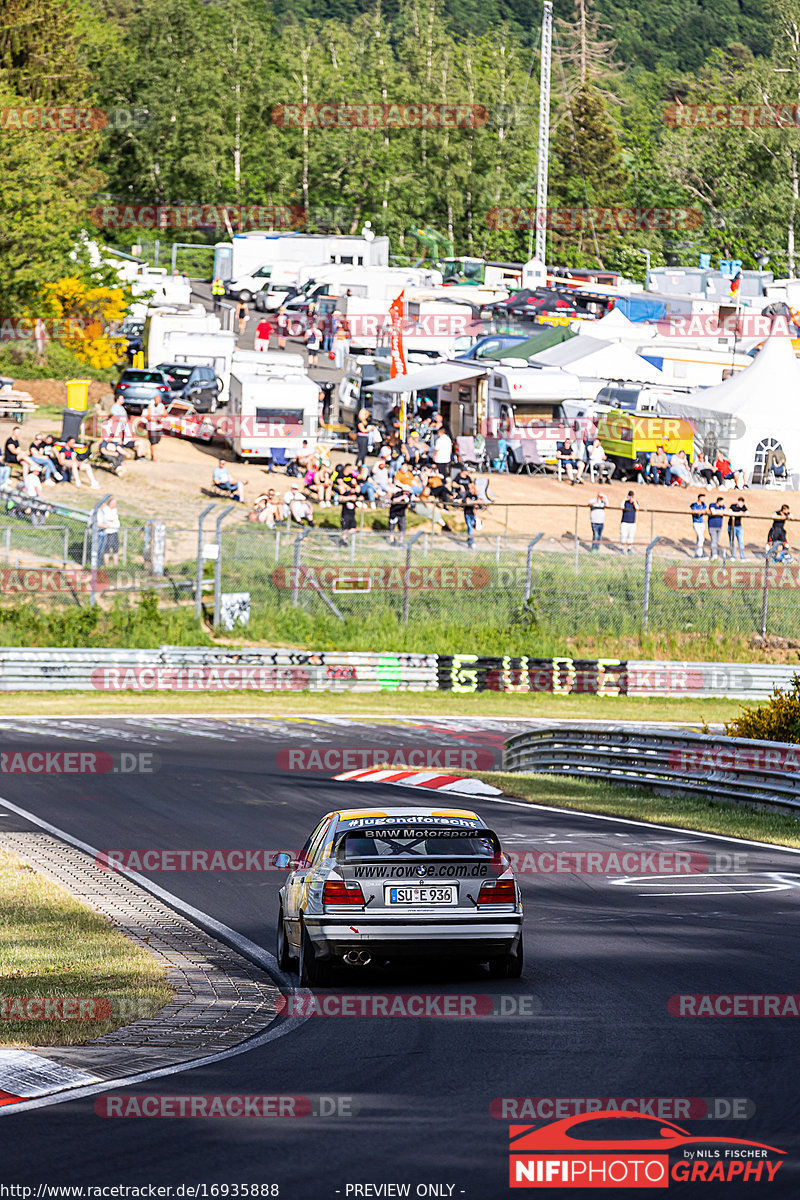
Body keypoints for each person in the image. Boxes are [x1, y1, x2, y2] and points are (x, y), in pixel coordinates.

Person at [97, 496, 120, 565]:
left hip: (115, 531)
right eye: (114, 503)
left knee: (116, 549)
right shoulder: (105, 510)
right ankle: (106, 564)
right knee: (107, 549)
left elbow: (114, 520)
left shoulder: (114, 510)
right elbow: (108, 520)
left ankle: (116, 564)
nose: (115, 504)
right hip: (108, 532)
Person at [338, 471, 359, 545]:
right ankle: (343, 541)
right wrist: (349, 498)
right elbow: (340, 498)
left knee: (353, 529)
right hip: (345, 514)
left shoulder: (356, 494)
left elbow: (360, 497)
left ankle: (344, 538)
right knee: (344, 529)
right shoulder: (346, 494)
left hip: (352, 515)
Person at [144, 396, 167, 462]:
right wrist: (154, 419)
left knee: (157, 441)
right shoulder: (150, 406)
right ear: (154, 400)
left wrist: (161, 417)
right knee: (153, 442)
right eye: (156, 400)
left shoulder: (161, 406)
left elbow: (165, 414)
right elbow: (147, 416)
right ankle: (154, 457)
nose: (157, 401)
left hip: (158, 427)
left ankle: (153, 456)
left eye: (158, 400)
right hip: (151, 427)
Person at [728, 495, 747, 560]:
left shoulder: (743, 507)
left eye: (742, 503)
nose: (741, 504)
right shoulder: (733, 506)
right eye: (740, 502)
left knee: (741, 542)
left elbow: (747, 513)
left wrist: (742, 513)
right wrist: (740, 513)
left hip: (739, 526)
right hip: (732, 526)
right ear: (738, 502)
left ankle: (742, 557)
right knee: (732, 541)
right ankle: (733, 556)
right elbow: (730, 513)